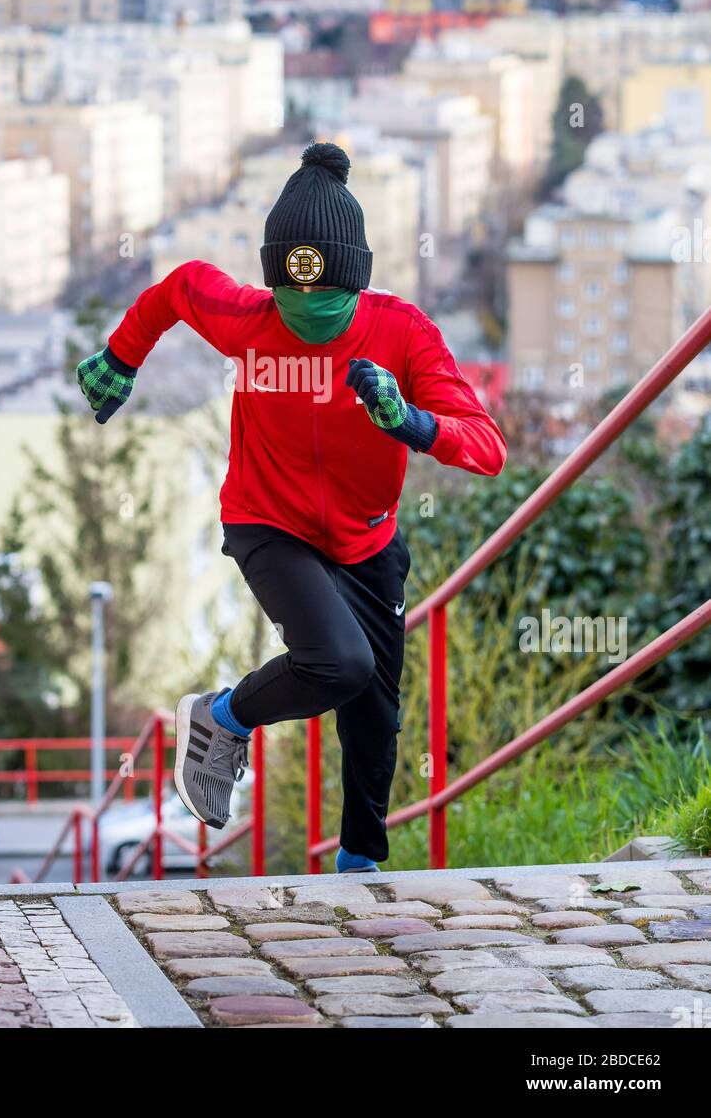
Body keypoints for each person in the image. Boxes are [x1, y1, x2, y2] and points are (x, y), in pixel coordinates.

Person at [77, 142, 506, 872]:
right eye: (293, 300)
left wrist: (410, 422)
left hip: (367, 540)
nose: (308, 315)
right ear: (274, 283)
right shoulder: (247, 316)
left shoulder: (403, 333)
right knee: (339, 663)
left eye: (327, 305)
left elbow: (486, 445)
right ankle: (220, 718)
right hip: (267, 522)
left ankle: (359, 867)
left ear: (357, 284)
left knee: (374, 711)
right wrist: (121, 357)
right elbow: (179, 287)